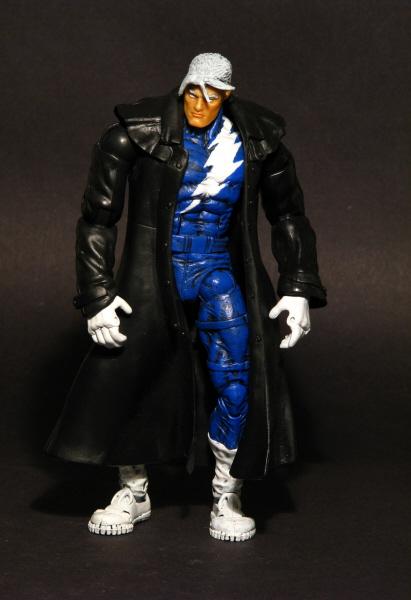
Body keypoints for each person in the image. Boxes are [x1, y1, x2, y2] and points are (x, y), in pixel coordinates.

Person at [46, 53, 326, 542]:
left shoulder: (256, 143)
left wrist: (298, 286)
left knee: (237, 379)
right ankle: (133, 490)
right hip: (153, 276)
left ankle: (226, 491)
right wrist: (97, 294)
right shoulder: (134, 136)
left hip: (218, 270)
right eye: (193, 91)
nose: (200, 103)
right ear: (183, 88)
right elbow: (97, 220)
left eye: (212, 95)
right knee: (131, 376)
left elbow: (289, 216)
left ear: (227, 96)